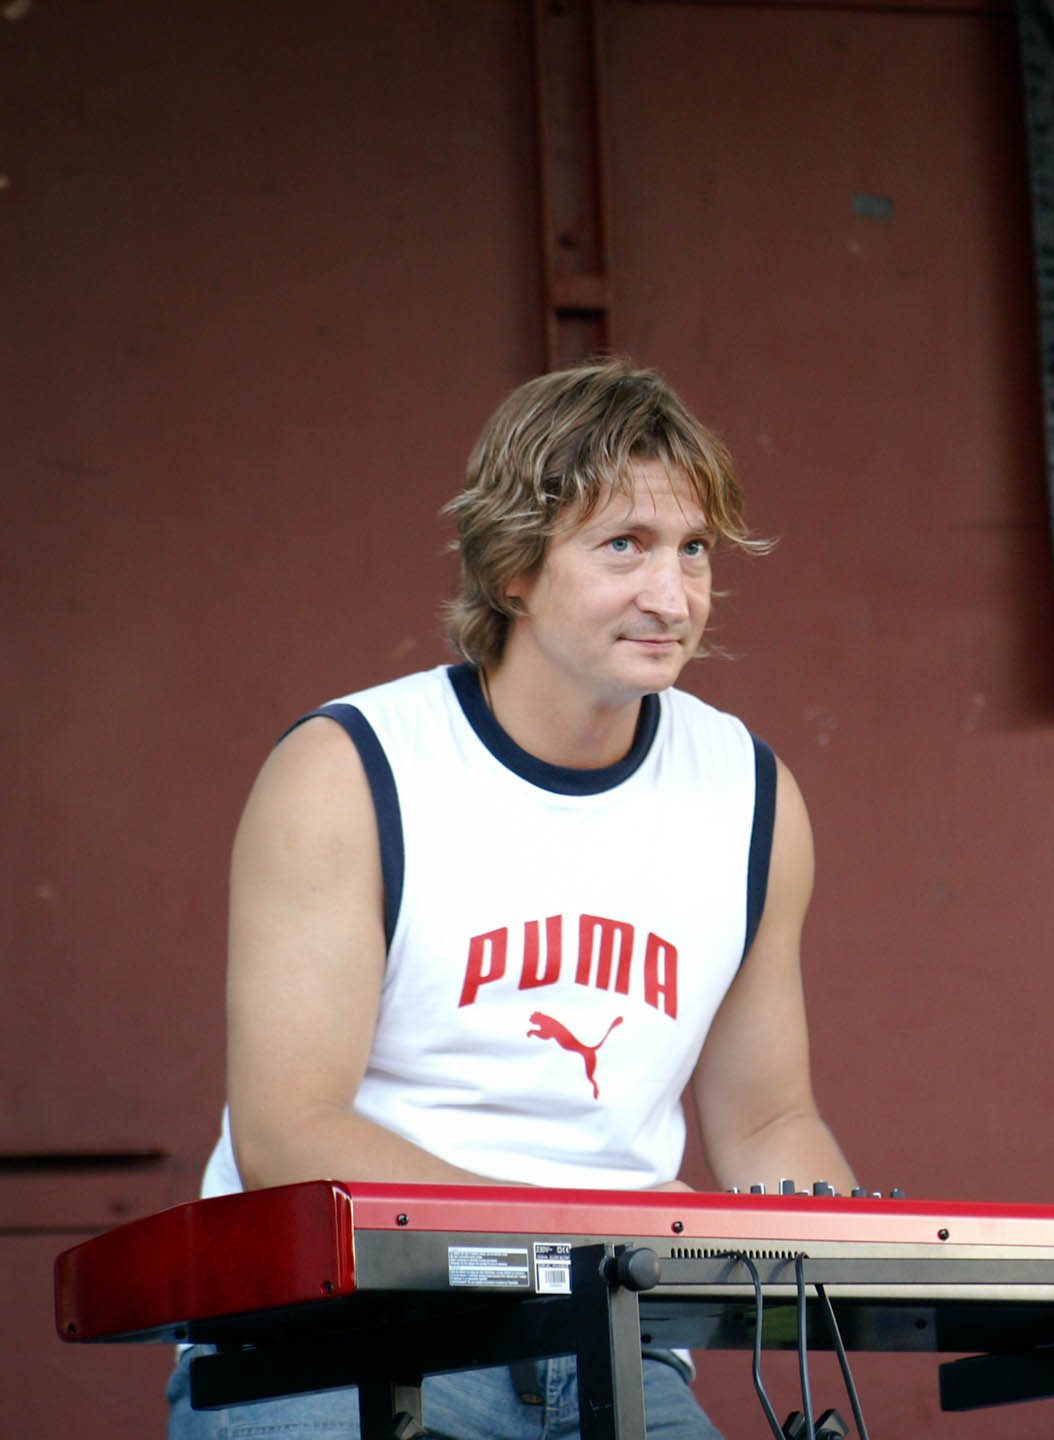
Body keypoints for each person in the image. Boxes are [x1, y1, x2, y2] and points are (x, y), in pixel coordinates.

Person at [168, 360, 854, 1439]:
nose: (672, 596)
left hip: (613, 1344)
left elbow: (768, 1121)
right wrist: (574, 1234)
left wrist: (868, 1257)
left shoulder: (750, 791)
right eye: (624, 545)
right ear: (515, 569)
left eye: (693, 549)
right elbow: (289, 1133)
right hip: (337, 1331)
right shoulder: (351, 768)